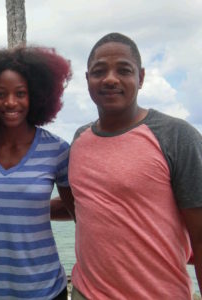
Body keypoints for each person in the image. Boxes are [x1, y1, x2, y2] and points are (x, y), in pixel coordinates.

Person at [68, 32, 202, 299]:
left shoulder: (176, 136)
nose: (110, 79)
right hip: (86, 292)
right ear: (87, 80)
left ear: (140, 77)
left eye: (123, 70)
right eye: (99, 71)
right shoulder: (79, 140)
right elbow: (84, 205)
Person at [0, 45, 75, 300]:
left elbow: (77, 213)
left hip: (46, 290)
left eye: (21, 93)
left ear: (37, 96)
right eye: (0, 94)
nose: (10, 102)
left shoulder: (57, 150)